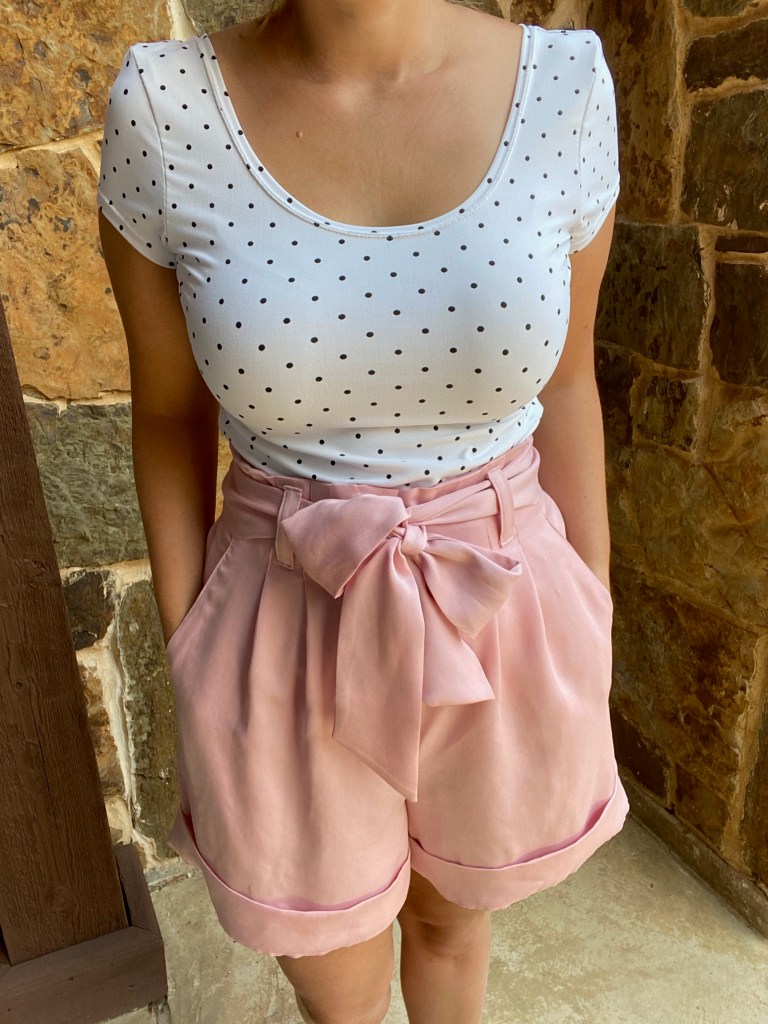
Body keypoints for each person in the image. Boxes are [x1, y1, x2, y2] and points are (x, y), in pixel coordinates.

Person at [97, 1, 630, 1021]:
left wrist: (591, 609)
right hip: (281, 610)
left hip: (500, 597)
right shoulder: (166, 109)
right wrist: (190, 644)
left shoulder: (564, 88)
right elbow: (167, 412)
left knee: (451, 928)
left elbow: (568, 382)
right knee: (336, 985)